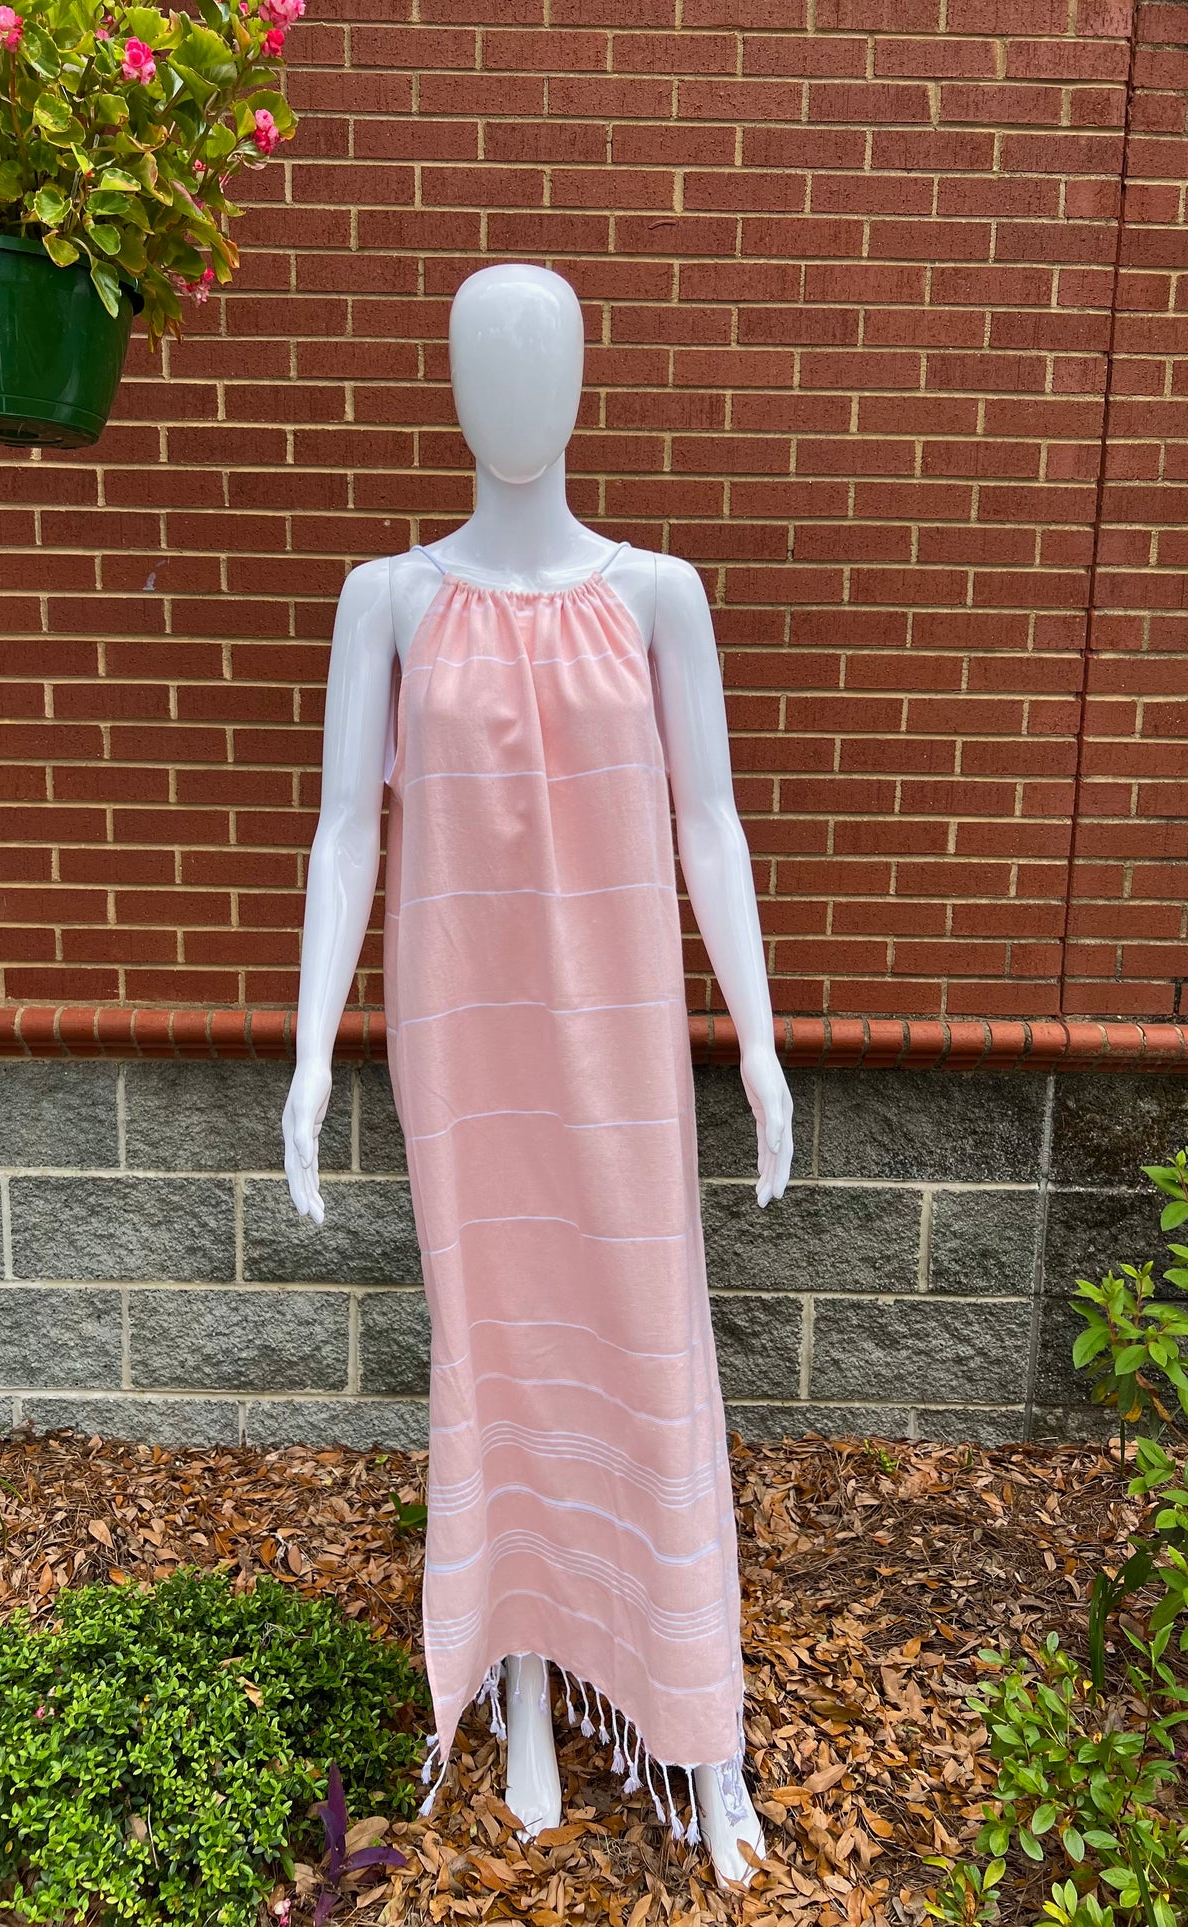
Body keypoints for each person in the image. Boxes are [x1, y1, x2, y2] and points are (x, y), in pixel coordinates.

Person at [283, 262, 793, 1884]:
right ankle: (512, 1680)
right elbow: (346, 830)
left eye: (544, 357)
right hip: (465, 1036)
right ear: (446, 383)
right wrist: (307, 1059)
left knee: (648, 1343)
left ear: (582, 379)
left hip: (621, 1040)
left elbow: (707, 820)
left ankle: (691, 1723)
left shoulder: (658, 593)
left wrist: (762, 1047)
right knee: (492, 1347)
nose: (516, 391)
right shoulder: (388, 599)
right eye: (483, 360)